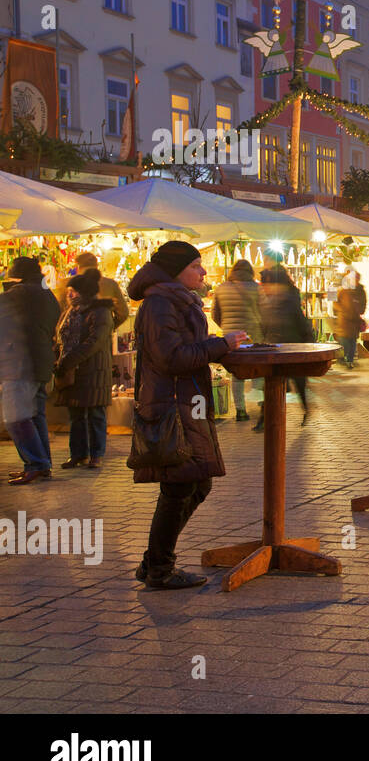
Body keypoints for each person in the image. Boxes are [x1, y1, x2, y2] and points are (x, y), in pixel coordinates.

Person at [128, 241, 247, 589]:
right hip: (172, 404)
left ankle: (154, 563)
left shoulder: (174, 300)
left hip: (186, 401)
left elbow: (181, 346)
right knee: (179, 486)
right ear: (177, 269)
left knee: (196, 482)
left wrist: (220, 343)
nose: (203, 271)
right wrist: (220, 346)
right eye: (196, 265)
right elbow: (171, 357)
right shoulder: (161, 304)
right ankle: (160, 570)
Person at [2, 257, 60, 484]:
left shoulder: (21, 293)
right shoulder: (46, 292)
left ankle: (36, 463)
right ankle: (41, 464)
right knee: (35, 416)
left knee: (16, 417)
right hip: (40, 362)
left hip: (20, 363)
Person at [52, 269, 116, 469]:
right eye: (69, 291)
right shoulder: (70, 312)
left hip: (94, 370)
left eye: (74, 291)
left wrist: (69, 359)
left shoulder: (101, 312)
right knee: (76, 416)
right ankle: (78, 454)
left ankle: (97, 455)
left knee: (96, 414)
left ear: (86, 292)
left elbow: (94, 341)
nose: (69, 294)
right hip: (72, 371)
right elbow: (60, 338)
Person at [258, 264, 314, 427]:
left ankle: (305, 409)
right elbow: (266, 322)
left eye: (269, 285)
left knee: (299, 383)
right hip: (275, 348)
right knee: (270, 384)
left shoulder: (289, 299)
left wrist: (307, 344)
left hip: (292, 347)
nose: (266, 288)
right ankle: (264, 418)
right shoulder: (270, 299)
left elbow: (301, 322)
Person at [212, 259, 263, 420]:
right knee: (259, 369)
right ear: (250, 271)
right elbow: (264, 312)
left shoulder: (221, 288)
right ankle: (261, 403)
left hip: (231, 336)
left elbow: (215, 313)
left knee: (237, 373)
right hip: (253, 335)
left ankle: (241, 411)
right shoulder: (257, 288)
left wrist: (226, 327)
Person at [55, 252, 129, 329]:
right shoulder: (110, 284)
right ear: (96, 266)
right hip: (102, 334)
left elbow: (57, 311)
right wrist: (109, 327)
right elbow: (123, 313)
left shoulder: (65, 284)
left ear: (78, 266)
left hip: (73, 334)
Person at [332, 268, 366, 369]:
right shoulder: (343, 290)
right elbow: (334, 302)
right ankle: (344, 359)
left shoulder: (360, 291)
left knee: (352, 342)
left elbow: (363, 304)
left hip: (354, 321)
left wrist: (360, 310)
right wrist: (341, 311)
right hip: (344, 321)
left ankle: (349, 360)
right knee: (345, 341)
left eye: (356, 278)